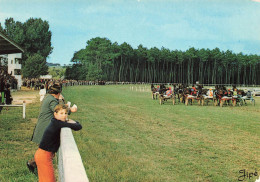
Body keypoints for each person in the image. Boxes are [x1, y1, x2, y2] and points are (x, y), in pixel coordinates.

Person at [27, 83, 78, 173]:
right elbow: (59, 110)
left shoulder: (49, 98)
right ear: (58, 93)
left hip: (45, 126)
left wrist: (61, 102)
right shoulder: (52, 100)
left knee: (47, 150)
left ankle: (34, 164)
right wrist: (69, 108)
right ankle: (32, 163)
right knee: (46, 151)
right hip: (45, 127)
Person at [34, 104, 82, 182]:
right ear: (55, 114)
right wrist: (70, 121)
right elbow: (78, 127)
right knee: (49, 180)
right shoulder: (57, 124)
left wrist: (68, 120)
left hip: (44, 155)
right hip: (44, 156)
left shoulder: (55, 121)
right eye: (61, 113)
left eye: (66, 113)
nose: (64, 116)